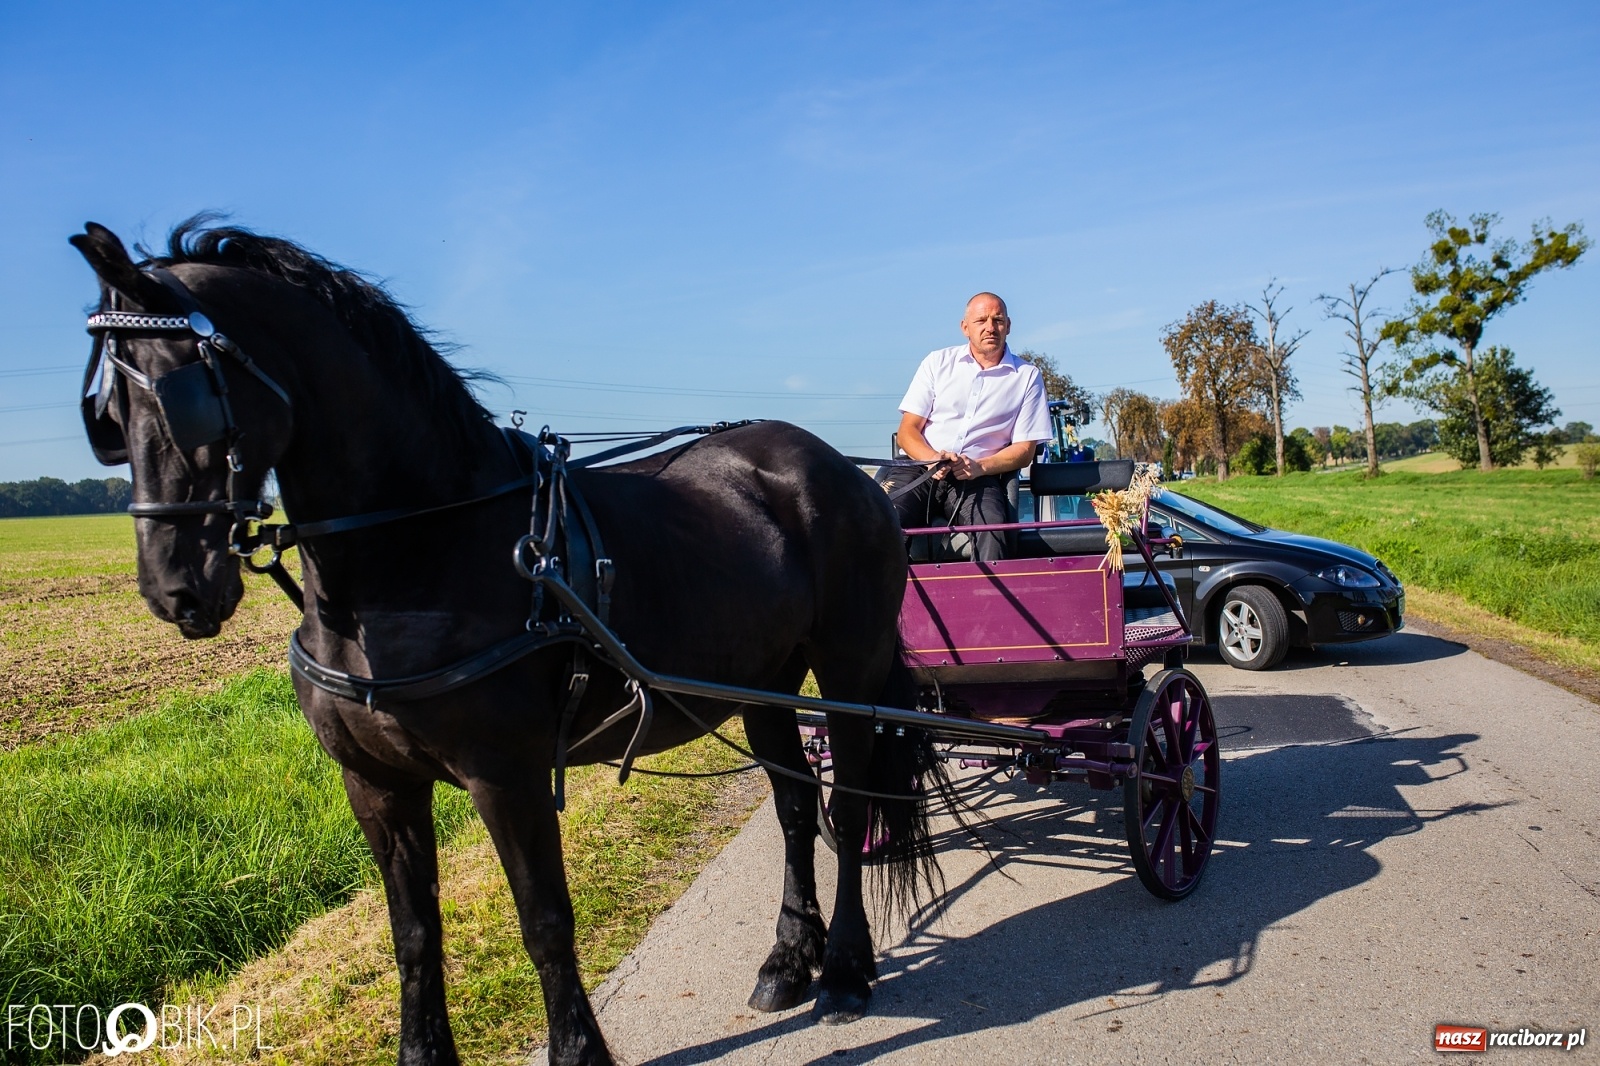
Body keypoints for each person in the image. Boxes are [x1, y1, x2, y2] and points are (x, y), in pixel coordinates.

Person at [893, 292, 1051, 561]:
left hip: (978, 477)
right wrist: (932, 459)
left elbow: (1025, 450)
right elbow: (907, 432)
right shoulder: (937, 363)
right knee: (882, 520)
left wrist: (980, 467)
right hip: (921, 470)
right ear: (965, 327)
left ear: (1008, 326)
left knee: (993, 531)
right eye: (981, 320)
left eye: (997, 320)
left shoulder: (1027, 377)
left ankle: (989, 602)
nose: (990, 327)